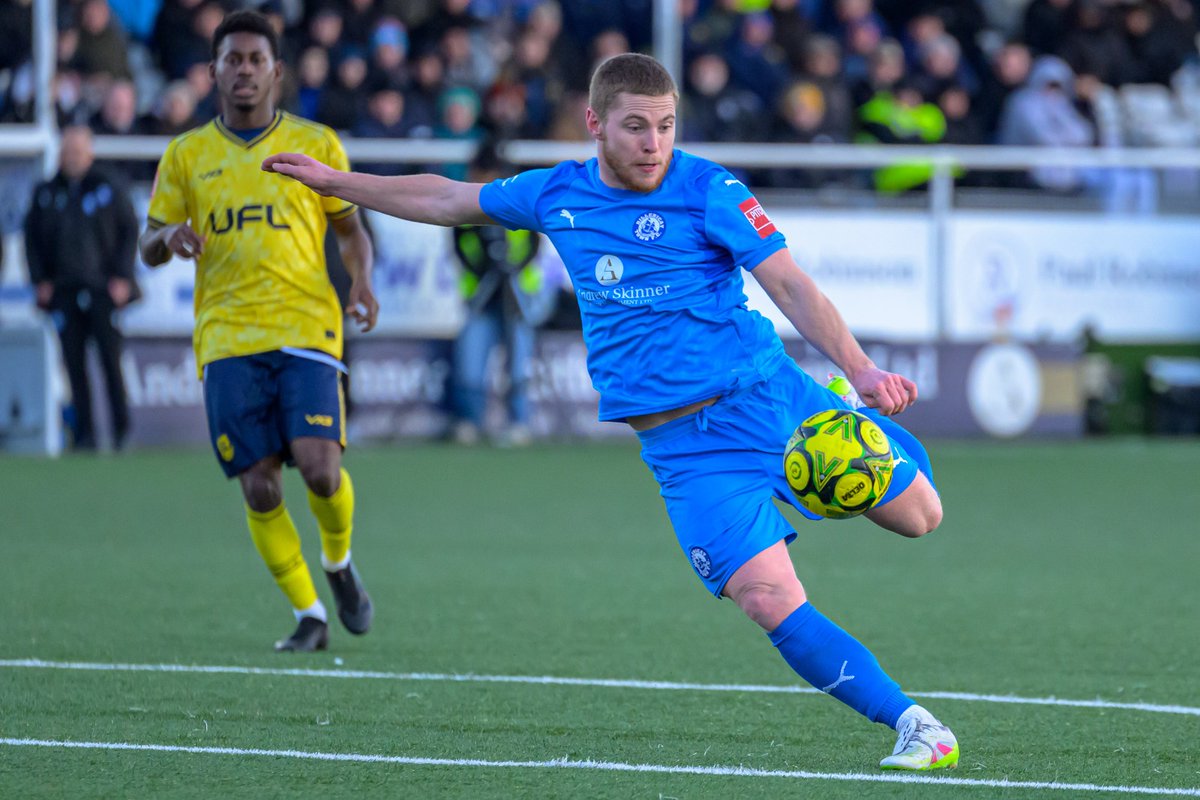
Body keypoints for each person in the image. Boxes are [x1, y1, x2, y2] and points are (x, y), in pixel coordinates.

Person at [264, 52, 958, 770]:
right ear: (595, 123)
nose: (653, 144)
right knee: (764, 598)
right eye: (635, 128)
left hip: (768, 399)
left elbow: (789, 284)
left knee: (921, 518)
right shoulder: (557, 193)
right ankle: (915, 726)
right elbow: (448, 200)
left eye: (664, 126)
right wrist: (333, 183)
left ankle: (858, 422)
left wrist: (860, 369)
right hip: (683, 449)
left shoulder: (708, 188)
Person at [138, 10, 380, 654]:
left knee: (321, 470)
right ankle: (309, 613)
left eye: (255, 59)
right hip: (226, 337)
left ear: (276, 70)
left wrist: (361, 281)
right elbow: (147, 242)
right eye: (231, 59)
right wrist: (168, 236)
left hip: (306, 325)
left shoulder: (318, 143)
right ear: (212, 71)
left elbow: (352, 232)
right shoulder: (186, 154)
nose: (243, 70)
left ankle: (338, 564)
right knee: (260, 483)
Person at [25, 125, 140, 452]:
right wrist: (40, 281)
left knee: (110, 363)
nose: (71, 158)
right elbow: (32, 240)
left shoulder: (108, 187)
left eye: (77, 151)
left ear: (89, 153)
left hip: (104, 290)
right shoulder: (47, 192)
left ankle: (121, 432)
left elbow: (129, 232)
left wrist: (123, 277)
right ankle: (85, 435)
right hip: (63, 292)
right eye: (66, 151)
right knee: (73, 367)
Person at [448, 140, 544, 447]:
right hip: (481, 297)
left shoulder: (517, 201)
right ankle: (471, 422)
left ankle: (518, 422)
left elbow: (533, 245)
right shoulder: (463, 205)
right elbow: (460, 249)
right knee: (470, 366)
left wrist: (512, 268)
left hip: (517, 297)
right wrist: (484, 269)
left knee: (517, 365)